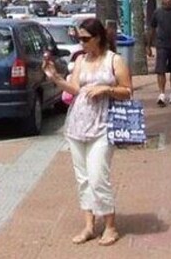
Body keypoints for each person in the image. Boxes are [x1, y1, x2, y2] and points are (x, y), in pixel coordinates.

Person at [42, 18, 132, 247]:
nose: (81, 43)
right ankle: (89, 225)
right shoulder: (80, 59)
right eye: (78, 39)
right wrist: (55, 78)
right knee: (83, 179)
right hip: (77, 124)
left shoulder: (114, 60)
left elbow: (127, 91)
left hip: (102, 125)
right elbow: (74, 89)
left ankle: (110, 225)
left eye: (85, 39)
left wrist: (106, 89)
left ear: (98, 37)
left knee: (98, 176)